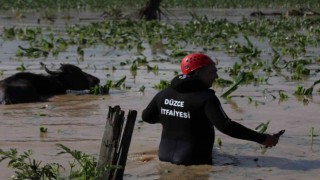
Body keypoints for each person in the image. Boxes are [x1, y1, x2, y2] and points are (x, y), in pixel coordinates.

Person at [142, 53, 282, 166]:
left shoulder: (164, 93)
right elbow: (226, 127)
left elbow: (147, 117)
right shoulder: (206, 97)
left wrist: (174, 116)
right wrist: (262, 138)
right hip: (193, 161)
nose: (216, 76)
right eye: (212, 72)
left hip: (163, 157)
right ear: (197, 73)